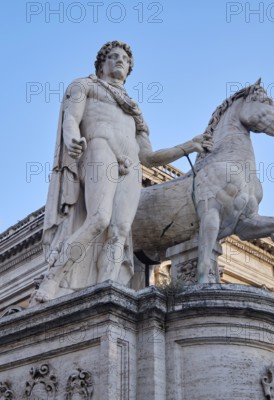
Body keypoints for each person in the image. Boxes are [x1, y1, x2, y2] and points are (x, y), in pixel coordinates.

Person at [34, 41, 212, 304]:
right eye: (114, 57)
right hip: (99, 148)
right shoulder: (85, 86)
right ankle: (54, 277)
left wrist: (188, 145)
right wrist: (72, 138)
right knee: (99, 219)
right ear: (101, 63)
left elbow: (149, 157)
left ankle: (106, 290)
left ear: (129, 70)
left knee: (119, 230)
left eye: (125, 60)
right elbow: (71, 119)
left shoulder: (134, 111)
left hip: (132, 165)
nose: (120, 61)